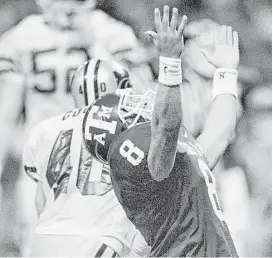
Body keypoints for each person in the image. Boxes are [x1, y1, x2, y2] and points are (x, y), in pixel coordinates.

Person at [83, 5, 239, 256]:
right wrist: (169, 63)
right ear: (120, 130)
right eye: (129, 108)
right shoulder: (134, 156)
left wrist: (226, 73)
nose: (138, 103)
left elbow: (219, 133)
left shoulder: (173, 169)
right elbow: (166, 128)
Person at [0, 0, 153, 254]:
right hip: (45, 158)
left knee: (105, 239)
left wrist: (95, 45)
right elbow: (6, 109)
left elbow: (139, 95)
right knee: (36, 237)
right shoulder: (23, 36)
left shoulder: (111, 32)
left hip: (100, 158)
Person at [22, 58, 149, 257]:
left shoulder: (44, 129)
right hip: (97, 238)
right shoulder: (127, 125)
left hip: (44, 238)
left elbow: (41, 200)